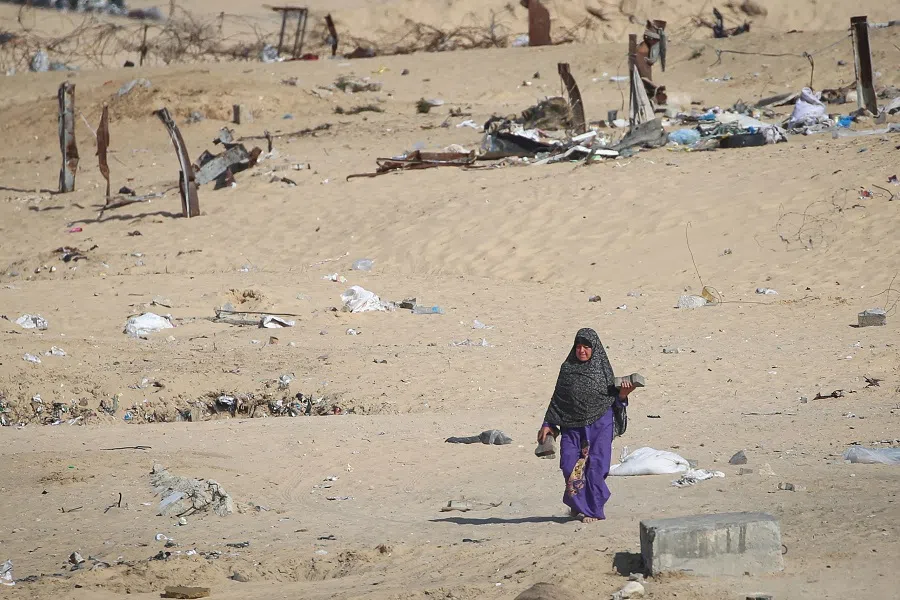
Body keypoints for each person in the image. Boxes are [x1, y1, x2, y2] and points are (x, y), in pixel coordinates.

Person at [537, 328, 633, 523]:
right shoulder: (567, 369)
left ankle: (592, 510)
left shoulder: (602, 371)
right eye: (578, 347)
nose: (582, 351)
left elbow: (613, 400)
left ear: (594, 349)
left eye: (586, 347)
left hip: (600, 424)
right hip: (572, 426)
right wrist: (548, 423)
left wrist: (623, 395)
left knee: (596, 467)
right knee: (567, 465)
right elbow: (558, 399)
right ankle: (577, 503)